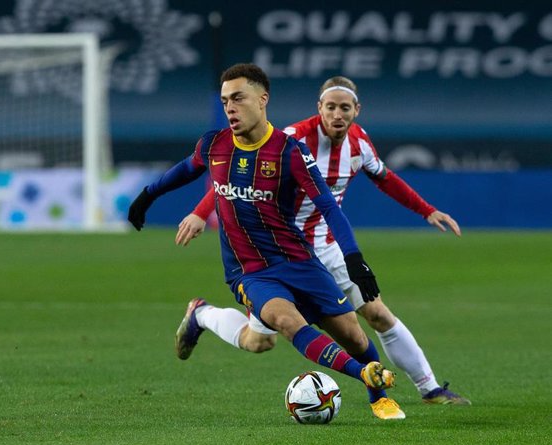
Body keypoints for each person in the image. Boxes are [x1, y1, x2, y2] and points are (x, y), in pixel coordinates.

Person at [173, 75, 471, 407]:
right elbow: (232, 176)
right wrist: (202, 213)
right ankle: (201, 315)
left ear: (357, 110)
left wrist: (427, 210)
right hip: (280, 253)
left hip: (328, 248)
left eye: (345, 108)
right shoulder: (289, 139)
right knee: (259, 341)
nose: (337, 115)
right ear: (320, 108)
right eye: (331, 107)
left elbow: (386, 179)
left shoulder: (360, 144)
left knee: (377, 314)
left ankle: (428, 388)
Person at [128, 63, 404, 420]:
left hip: (299, 261)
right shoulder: (214, 144)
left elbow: (328, 207)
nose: (230, 107)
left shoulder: (290, 152)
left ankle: (202, 314)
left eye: (238, 98)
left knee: (345, 334)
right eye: (226, 100)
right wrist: (147, 196)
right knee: (286, 322)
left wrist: (354, 258)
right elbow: (183, 169)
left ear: (262, 100)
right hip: (250, 271)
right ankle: (367, 379)